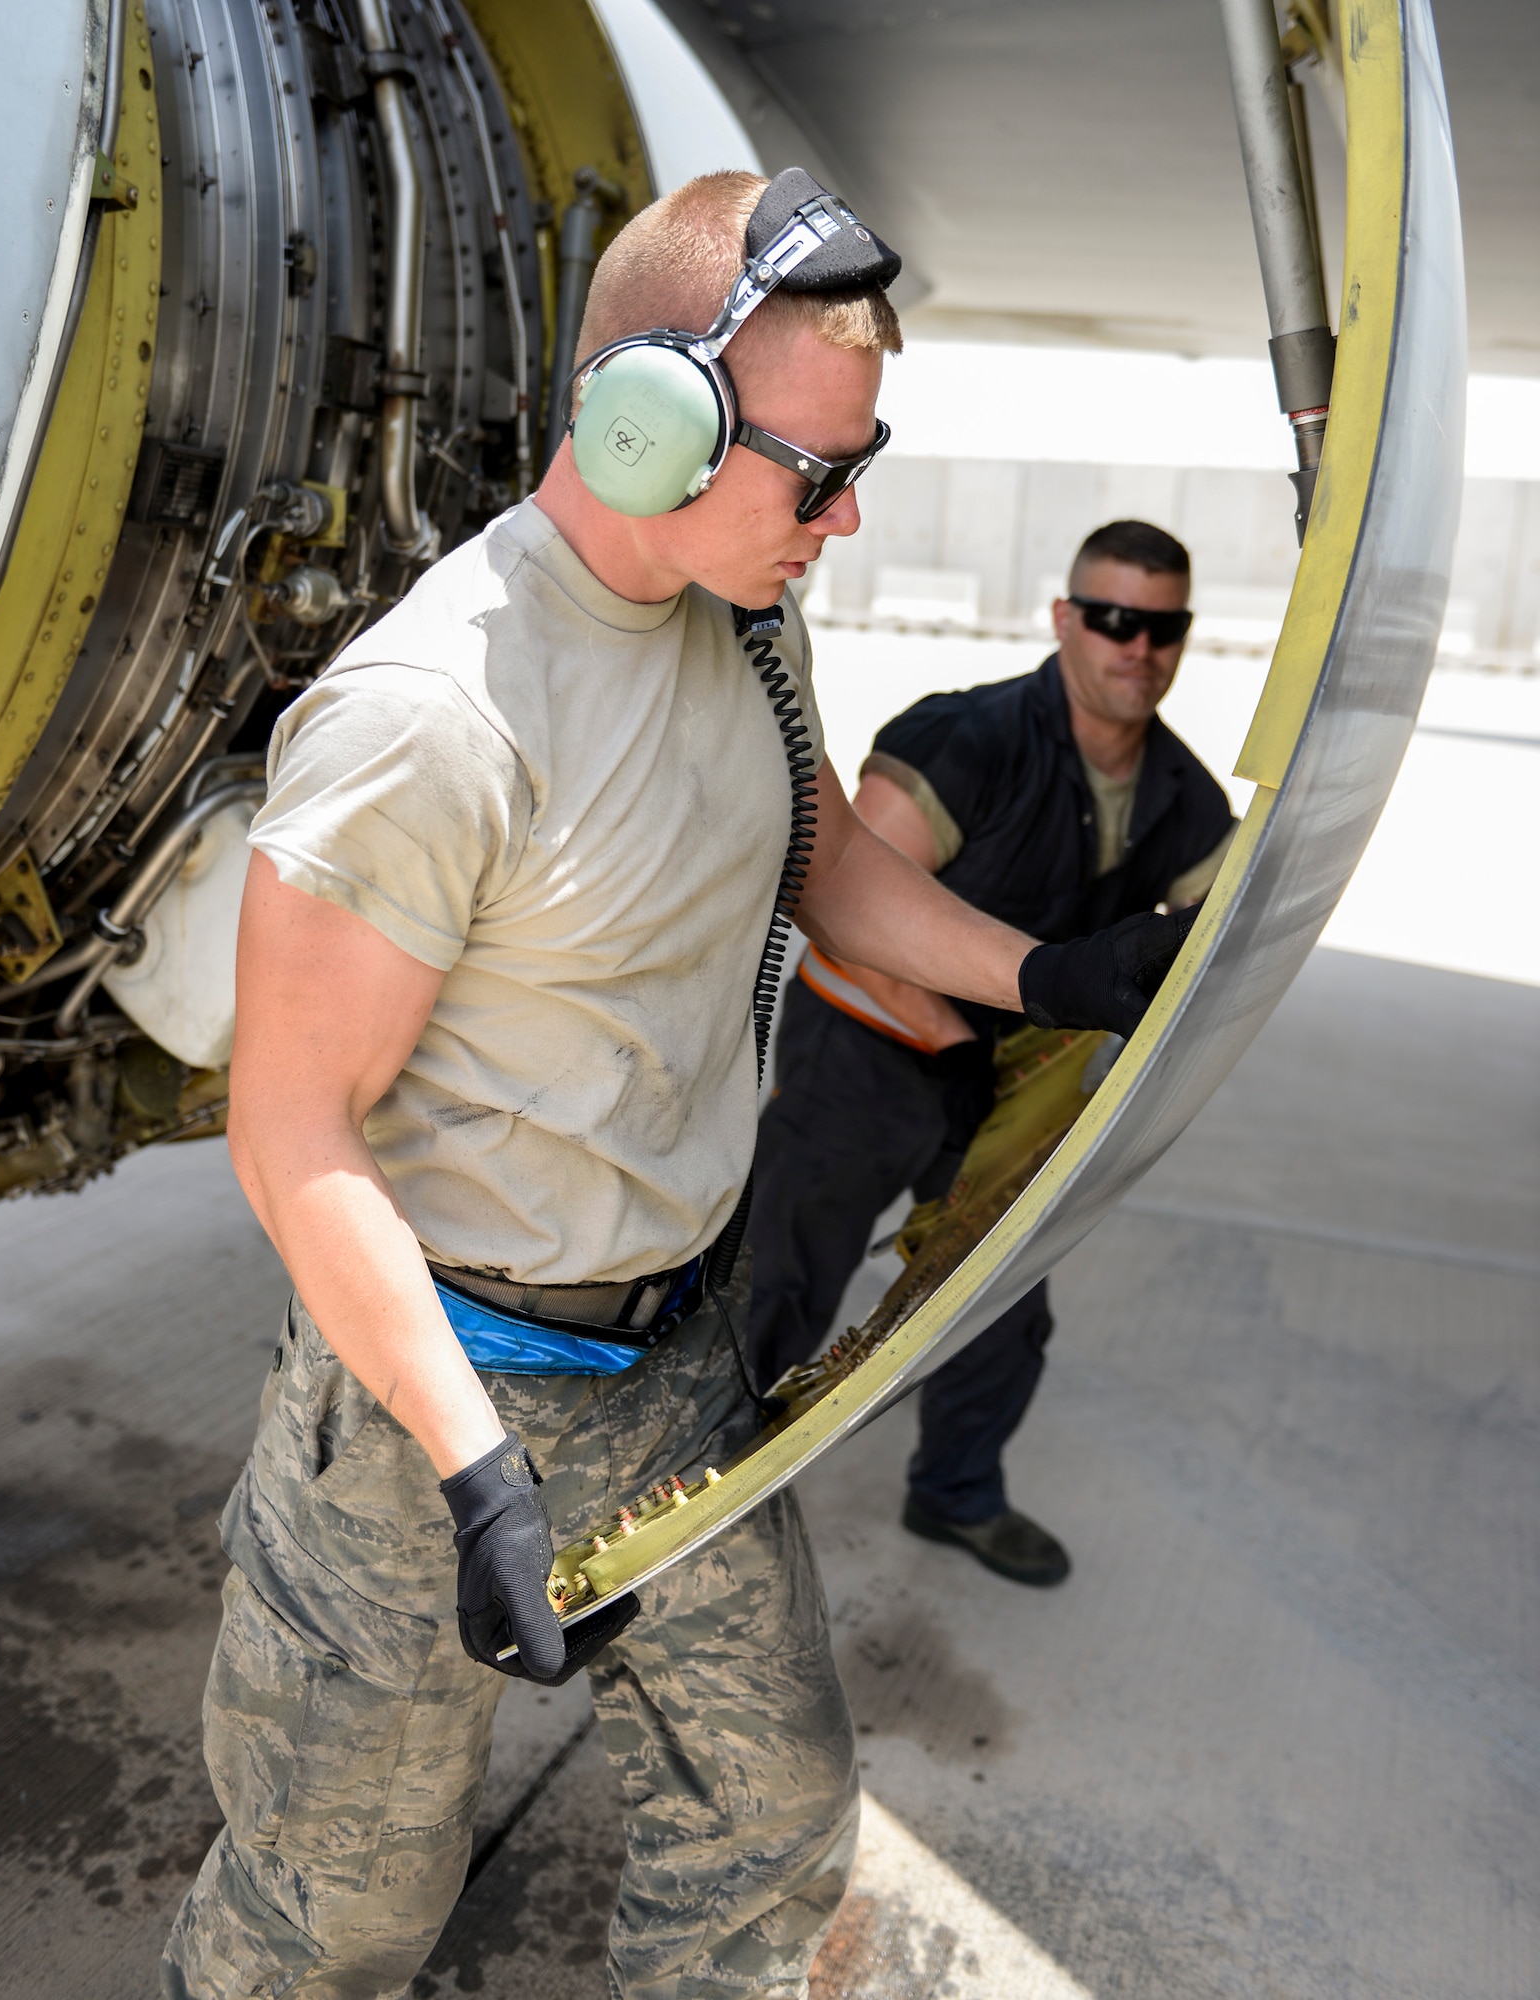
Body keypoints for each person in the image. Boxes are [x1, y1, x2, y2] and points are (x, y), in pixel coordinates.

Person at [164, 170, 1195, 2000]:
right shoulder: (431, 716)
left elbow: (806, 852)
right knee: (335, 1924)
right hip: (431, 1416)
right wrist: (480, 1473)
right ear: (647, 428)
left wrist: (1040, 971)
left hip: (677, 1372)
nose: (853, 515)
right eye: (822, 473)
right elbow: (292, 1132)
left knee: (773, 1825)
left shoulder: (746, 621)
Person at [747, 521, 1234, 1588]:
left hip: (1007, 1081)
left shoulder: (1185, 797)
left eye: (1160, 625)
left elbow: (1220, 949)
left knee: (1000, 1304)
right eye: (1111, 619)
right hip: (863, 1052)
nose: (1135, 646)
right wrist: (956, 1038)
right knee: (782, 1280)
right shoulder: (966, 740)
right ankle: (714, 1486)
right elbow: (843, 911)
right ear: (1065, 619)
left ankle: (954, 1492)